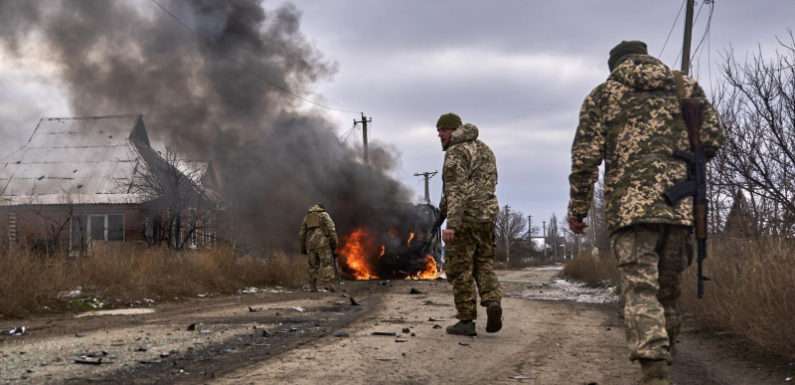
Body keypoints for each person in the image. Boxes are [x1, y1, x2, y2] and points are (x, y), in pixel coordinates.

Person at [567, 41, 723, 385]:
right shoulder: (684, 86)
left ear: (615, 66)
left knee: (640, 290)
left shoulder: (603, 95)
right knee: (668, 292)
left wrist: (578, 208)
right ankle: (668, 359)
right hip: (679, 209)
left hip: (631, 211)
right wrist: (679, 162)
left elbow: (585, 160)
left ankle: (654, 371)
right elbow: (713, 138)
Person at [436, 112, 503, 336]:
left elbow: (455, 191)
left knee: (460, 269)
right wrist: (440, 212)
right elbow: (489, 183)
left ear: (455, 130)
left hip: (465, 218)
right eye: (439, 131)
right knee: (483, 262)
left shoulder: (456, 152)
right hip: (487, 216)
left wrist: (451, 224)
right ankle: (492, 301)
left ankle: (466, 321)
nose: (439, 135)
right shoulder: (485, 149)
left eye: (443, 130)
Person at [299, 203, 339, 292]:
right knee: (327, 264)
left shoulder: (307, 217)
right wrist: (334, 244)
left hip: (310, 244)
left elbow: (302, 234)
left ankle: (312, 287)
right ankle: (329, 285)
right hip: (322, 243)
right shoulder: (324, 215)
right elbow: (332, 229)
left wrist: (303, 247)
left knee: (312, 266)